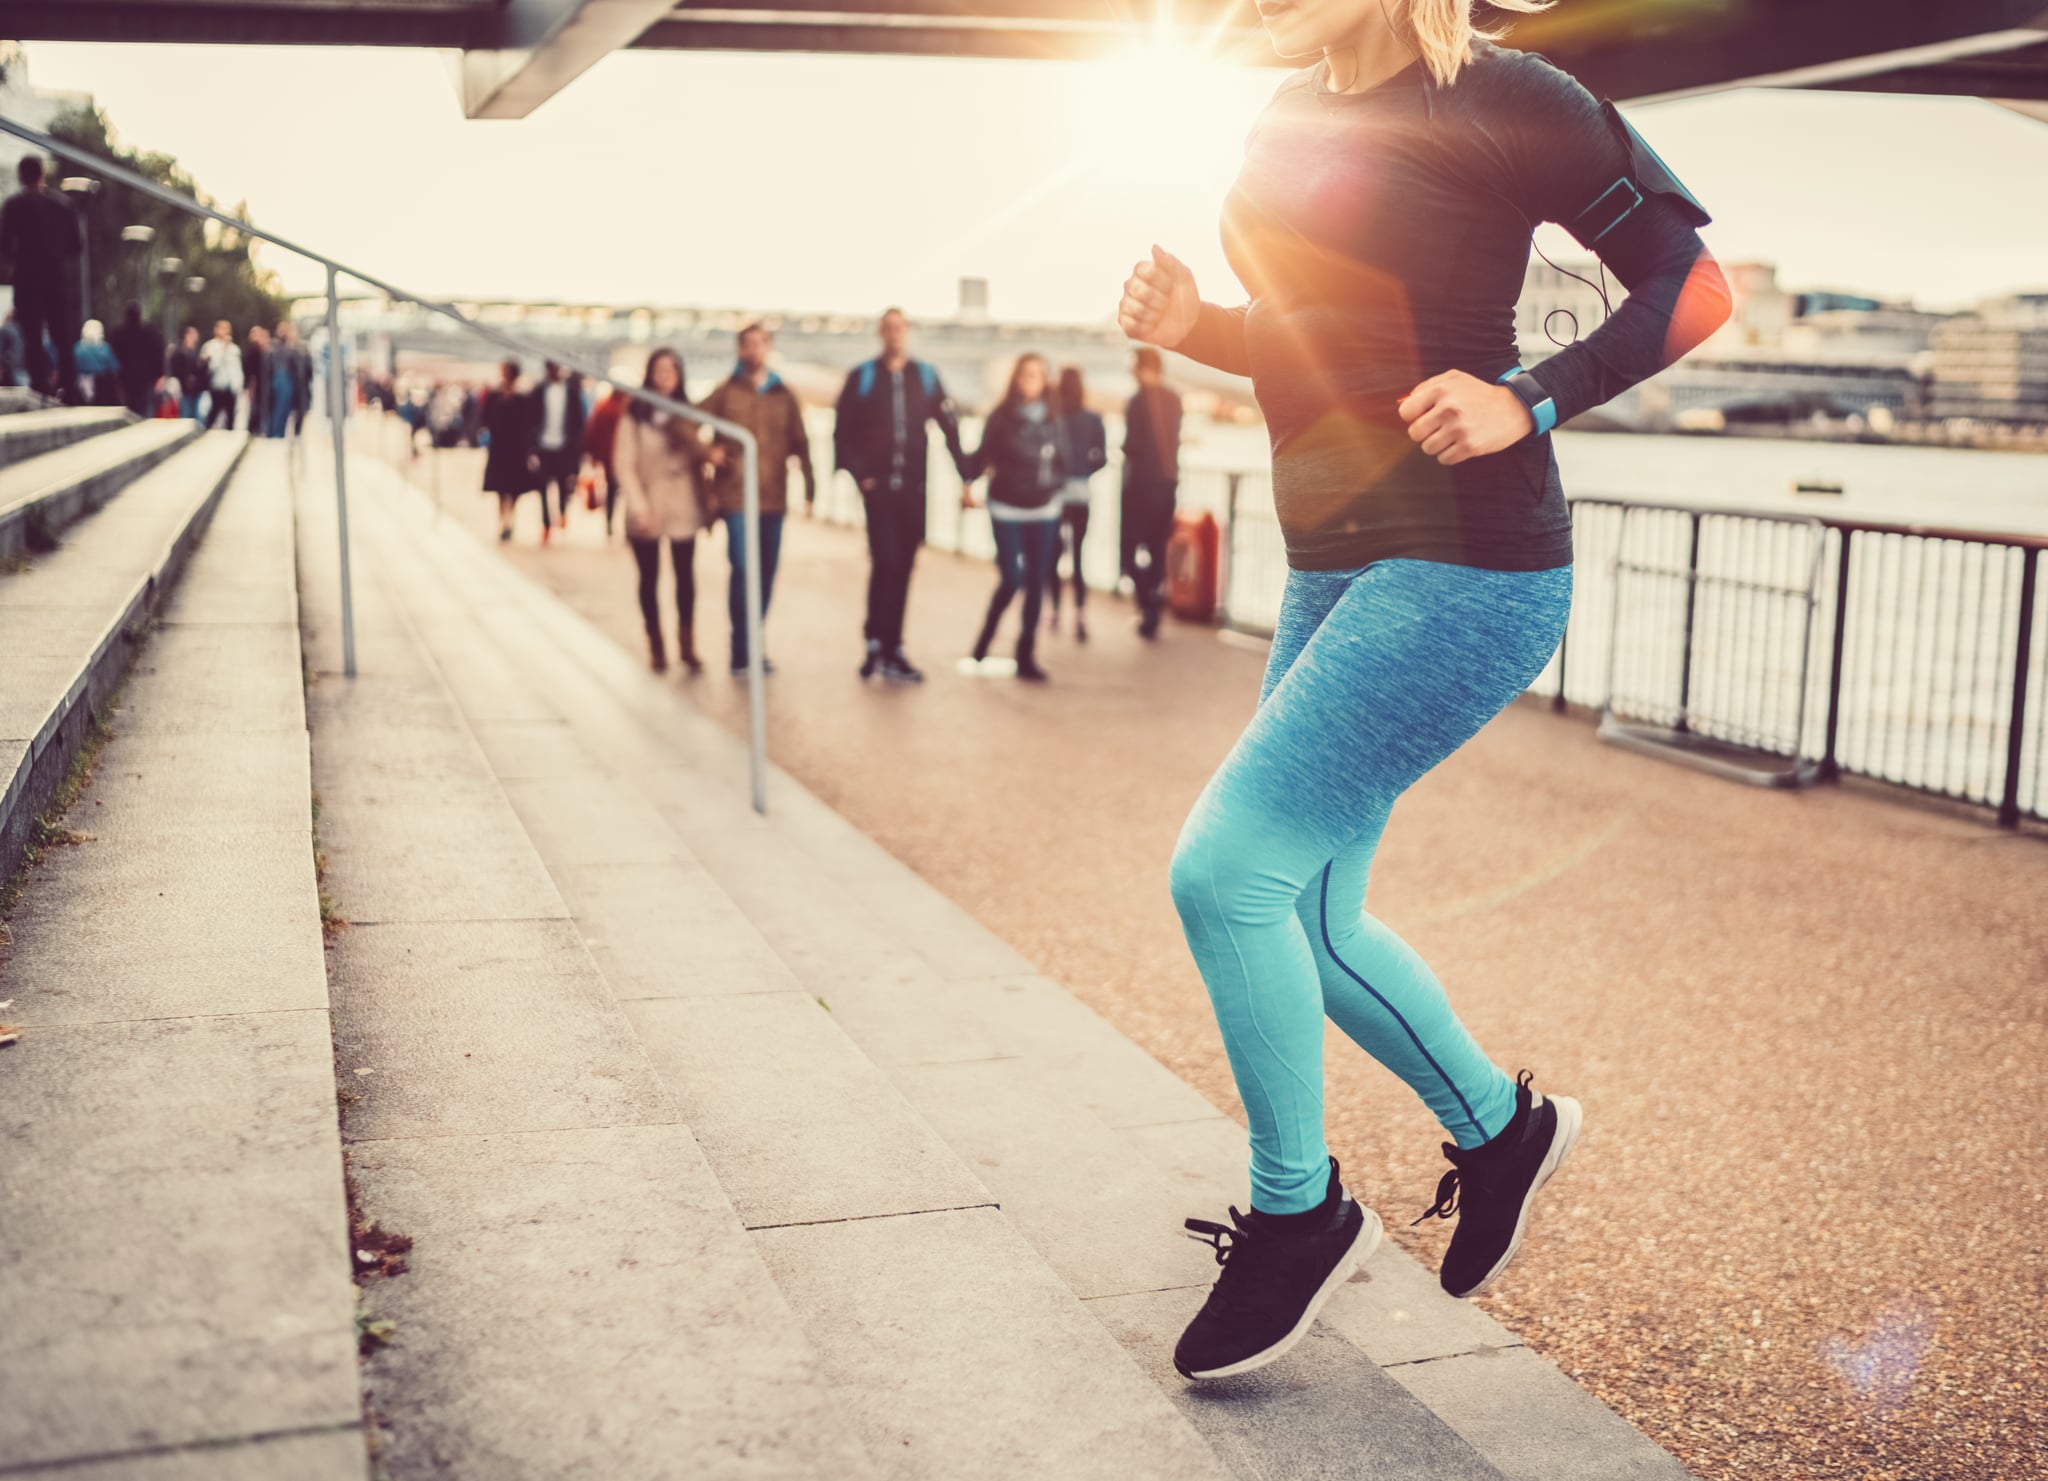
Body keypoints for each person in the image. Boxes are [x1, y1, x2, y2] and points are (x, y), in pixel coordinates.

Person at [1117, 0, 1730, 1383]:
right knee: (1313, 915)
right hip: (1333, 556)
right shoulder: (1288, 116)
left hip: (1470, 563)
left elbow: (1694, 287)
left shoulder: (1514, 99)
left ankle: (1302, 1212)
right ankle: (1502, 1129)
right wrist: (1198, 322)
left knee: (1225, 876)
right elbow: (1315, 340)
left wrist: (1534, 396)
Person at [833, 307, 968, 683]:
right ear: (881, 333)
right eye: (888, 328)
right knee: (885, 561)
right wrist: (861, 476)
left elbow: (949, 427)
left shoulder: (924, 377)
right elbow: (842, 431)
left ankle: (891, 644)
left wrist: (966, 476)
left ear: (907, 332)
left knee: (904, 565)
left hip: (914, 488)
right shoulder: (862, 377)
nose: (894, 334)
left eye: (900, 328)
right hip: (878, 490)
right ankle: (878, 642)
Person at [699, 323, 816, 676]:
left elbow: (802, 442)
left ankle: (754, 641)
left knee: (765, 574)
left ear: (768, 348)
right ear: (739, 349)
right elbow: (685, 422)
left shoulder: (784, 394)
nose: (753, 351)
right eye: (746, 344)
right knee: (743, 569)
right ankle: (741, 647)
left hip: (773, 499)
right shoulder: (724, 392)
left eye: (759, 344)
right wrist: (708, 452)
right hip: (735, 497)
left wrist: (812, 489)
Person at [960, 352, 1066, 683]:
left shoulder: (1054, 419)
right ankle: (983, 642)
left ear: (1045, 380)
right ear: (1015, 379)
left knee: (1037, 583)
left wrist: (1056, 489)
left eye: (1037, 374)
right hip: (1005, 507)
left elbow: (1067, 460)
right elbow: (979, 458)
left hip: (1044, 509)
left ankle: (1026, 655)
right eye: (1025, 374)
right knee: (1011, 578)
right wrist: (967, 485)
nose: (1030, 380)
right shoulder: (1000, 418)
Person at [614, 349, 710, 674]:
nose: (666, 375)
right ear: (650, 373)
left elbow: (702, 452)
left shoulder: (690, 414)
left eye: (672, 369)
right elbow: (623, 463)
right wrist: (639, 506)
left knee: (685, 576)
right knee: (649, 577)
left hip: (683, 505)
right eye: (660, 369)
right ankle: (656, 644)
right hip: (648, 505)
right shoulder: (634, 414)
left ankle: (687, 644)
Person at [0, 155, 83, 403]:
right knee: (62, 334)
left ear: (21, 176)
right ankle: (70, 386)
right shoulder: (63, 205)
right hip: (55, 278)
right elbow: (76, 246)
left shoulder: (14, 205)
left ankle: (39, 386)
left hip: (27, 278)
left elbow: (3, 244)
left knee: (32, 333)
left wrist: (17, 258)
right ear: (43, 174)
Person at [1122, 347, 1183, 639]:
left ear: (1142, 367)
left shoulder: (1136, 401)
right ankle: (1154, 602)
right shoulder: (1175, 400)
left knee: (1130, 549)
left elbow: (1132, 445)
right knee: (1158, 547)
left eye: (1133, 365)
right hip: (1168, 485)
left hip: (1139, 488)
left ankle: (1146, 600)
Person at [1047, 365, 1107, 641]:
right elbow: (1102, 457)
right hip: (1081, 492)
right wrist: (1084, 471)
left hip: (1056, 494)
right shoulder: (1093, 419)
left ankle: (1055, 613)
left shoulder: (1054, 417)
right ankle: (1081, 617)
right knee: (1080, 557)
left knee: (1054, 555)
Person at [480, 359, 536, 541]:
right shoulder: (495, 395)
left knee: (513, 488)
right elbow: (485, 419)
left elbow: (527, 423)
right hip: (499, 448)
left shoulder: (521, 397)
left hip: (515, 448)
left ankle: (508, 520)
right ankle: (503, 521)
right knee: (500, 488)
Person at [532, 361, 586, 542]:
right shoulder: (539, 391)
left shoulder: (571, 393)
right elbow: (530, 421)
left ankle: (562, 513)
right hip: (543, 447)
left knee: (563, 485)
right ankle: (546, 523)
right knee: (542, 487)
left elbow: (579, 422)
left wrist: (578, 448)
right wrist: (531, 449)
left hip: (565, 447)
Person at [583, 382, 627, 537]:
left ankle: (610, 521)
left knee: (613, 490)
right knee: (620, 490)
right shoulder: (619, 408)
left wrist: (593, 455)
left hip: (611, 456)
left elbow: (592, 431)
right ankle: (613, 521)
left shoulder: (606, 406)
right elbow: (595, 431)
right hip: (615, 456)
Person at [108, 302, 165, 417]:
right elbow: (159, 353)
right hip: (146, 377)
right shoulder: (150, 332)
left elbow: (111, 353)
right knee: (145, 407)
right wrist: (160, 375)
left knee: (129, 406)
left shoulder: (117, 333)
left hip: (125, 376)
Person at [268, 321, 312, 439]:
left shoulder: (301, 348)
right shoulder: (276, 346)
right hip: (283, 379)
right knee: (280, 408)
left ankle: (292, 433)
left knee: (295, 410)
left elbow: (307, 367)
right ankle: (276, 433)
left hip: (297, 383)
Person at [200, 319, 243, 430]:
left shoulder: (234, 349)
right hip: (217, 386)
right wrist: (223, 350)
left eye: (227, 328)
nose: (226, 331)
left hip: (231, 387)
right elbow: (212, 367)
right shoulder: (210, 346)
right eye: (223, 328)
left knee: (231, 416)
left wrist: (239, 385)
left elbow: (237, 369)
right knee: (213, 413)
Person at [72, 320, 121, 406]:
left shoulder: (78, 348)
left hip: (82, 384)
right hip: (103, 386)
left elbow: (72, 366)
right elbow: (115, 368)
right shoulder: (105, 348)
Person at [168, 325, 207, 420]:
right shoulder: (180, 352)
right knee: (186, 414)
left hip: (197, 389)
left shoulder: (197, 352)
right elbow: (176, 369)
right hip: (184, 389)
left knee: (196, 415)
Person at [243, 324, 270, 435]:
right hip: (255, 384)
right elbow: (250, 371)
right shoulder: (253, 351)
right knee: (255, 408)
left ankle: (255, 429)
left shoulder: (259, 350)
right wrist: (250, 386)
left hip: (259, 384)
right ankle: (253, 429)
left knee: (257, 407)